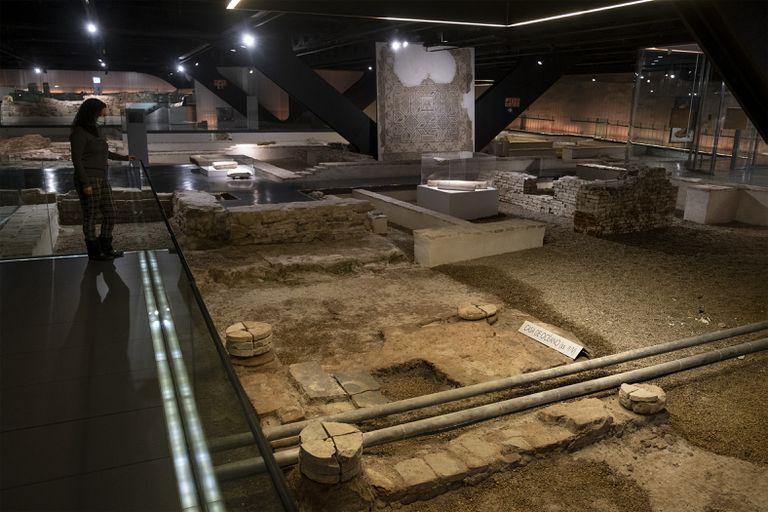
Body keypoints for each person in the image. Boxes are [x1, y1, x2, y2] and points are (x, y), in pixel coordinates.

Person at [70, 98, 135, 260]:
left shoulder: (96, 131)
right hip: (88, 179)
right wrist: (85, 183)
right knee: (90, 216)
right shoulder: (79, 132)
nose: (105, 114)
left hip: (101, 177)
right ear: (93, 112)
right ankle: (94, 252)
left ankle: (106, 247)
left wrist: (125, 157)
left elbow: (104, 153)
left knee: (111, 212)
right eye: (103, 110)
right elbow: (76, 159)